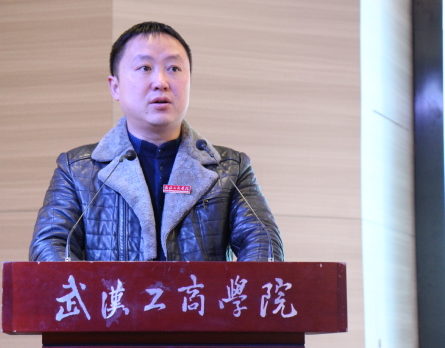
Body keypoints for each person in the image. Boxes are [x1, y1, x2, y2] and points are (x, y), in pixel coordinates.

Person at [29, 21, 283, 262]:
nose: (161, 82)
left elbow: (264, 244)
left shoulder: (230, 168)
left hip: (198, 296)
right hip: (112, 296)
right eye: (145, 68)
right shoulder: (77, 169)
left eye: (174, 69)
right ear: (115, 87)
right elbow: (49, 246)